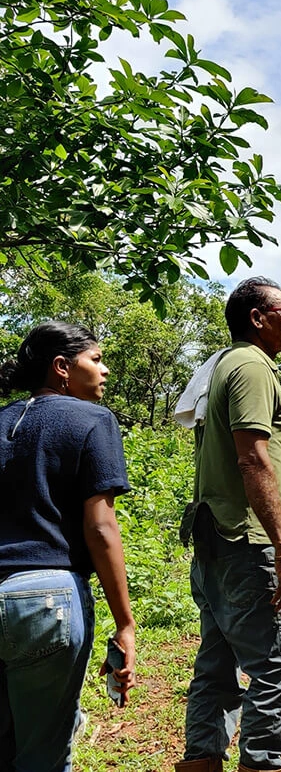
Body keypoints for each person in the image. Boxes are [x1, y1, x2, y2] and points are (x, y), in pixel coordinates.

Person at [176, 277, 281, 772]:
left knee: (216, 664)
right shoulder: (251, 368)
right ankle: (259, 762)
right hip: (247, 543)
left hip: (216, 541)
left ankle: (202, 760)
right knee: (275, 668)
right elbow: (253, 461)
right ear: (257, 317)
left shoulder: (226, 366)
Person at [0, 321, 136, 772]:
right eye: (95, 360)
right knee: (43, 755)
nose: (105, 370)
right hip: (45, 601)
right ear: (62, 368)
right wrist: (125, 624)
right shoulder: (92, 420)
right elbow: (100, 529)